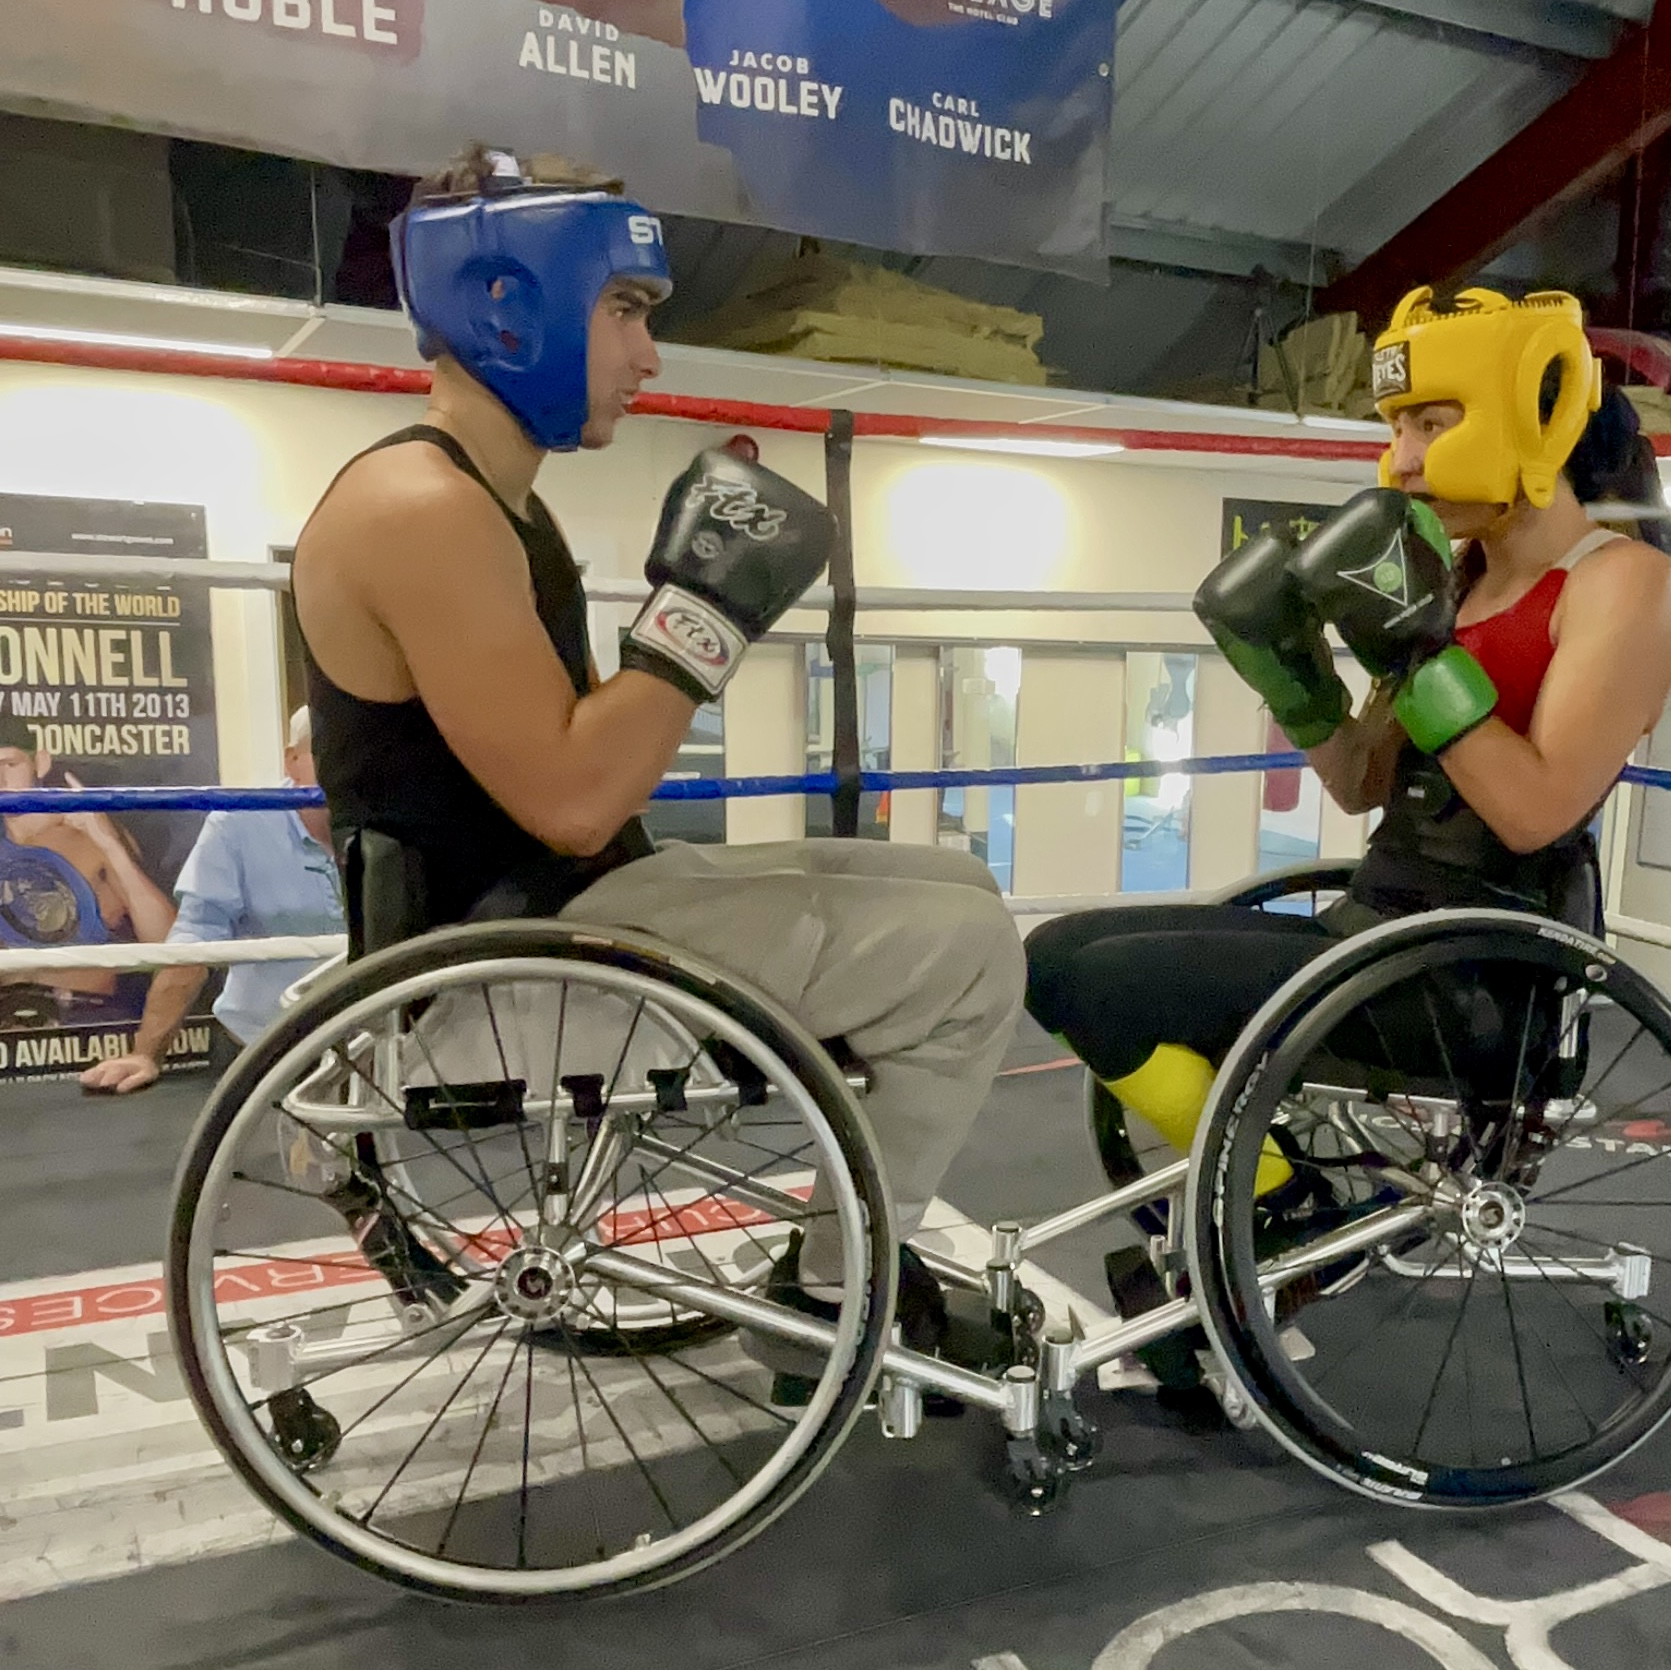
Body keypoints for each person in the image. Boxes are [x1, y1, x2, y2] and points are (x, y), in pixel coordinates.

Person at [289, 146, 1025, 1371]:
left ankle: (837, 1231)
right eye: (624, 310)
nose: (647, 354)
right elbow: (577, 797)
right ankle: (837, 1293)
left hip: (546, 912)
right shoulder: (423, 510)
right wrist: (700, 618)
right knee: (968, 956)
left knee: (956, 886)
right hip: (498, 963)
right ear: (509, 302)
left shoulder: (496, 502)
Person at [1025, 286, 1671, 1177]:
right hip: (1375, 926)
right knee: (1055, 955)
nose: (1403, 463)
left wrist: (1418, 659)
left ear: (1532, 422)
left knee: (1106, 986)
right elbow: (1362, 783)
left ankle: (1267, 1195)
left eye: (1433, 425)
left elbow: (1537, 814)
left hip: (1475, 977)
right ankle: (1262, 1189)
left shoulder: (1623, 584)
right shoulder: (1450, 577)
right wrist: (1293, 676)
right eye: (1398, 429)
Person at [78, 708, 343, 1093]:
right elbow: (196, 936)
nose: (347, 768)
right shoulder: (240, 822)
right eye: (329, 751)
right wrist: (146, 1053)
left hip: (373, 1048)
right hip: (261, 1049)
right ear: (293, 760)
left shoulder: (392, 825)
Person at [0, 715, 178, 1028]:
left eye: (10, 764)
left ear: (39, 762)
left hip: (88, 1019)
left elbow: (169, 944)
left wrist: (109, 846)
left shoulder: (87, 831)